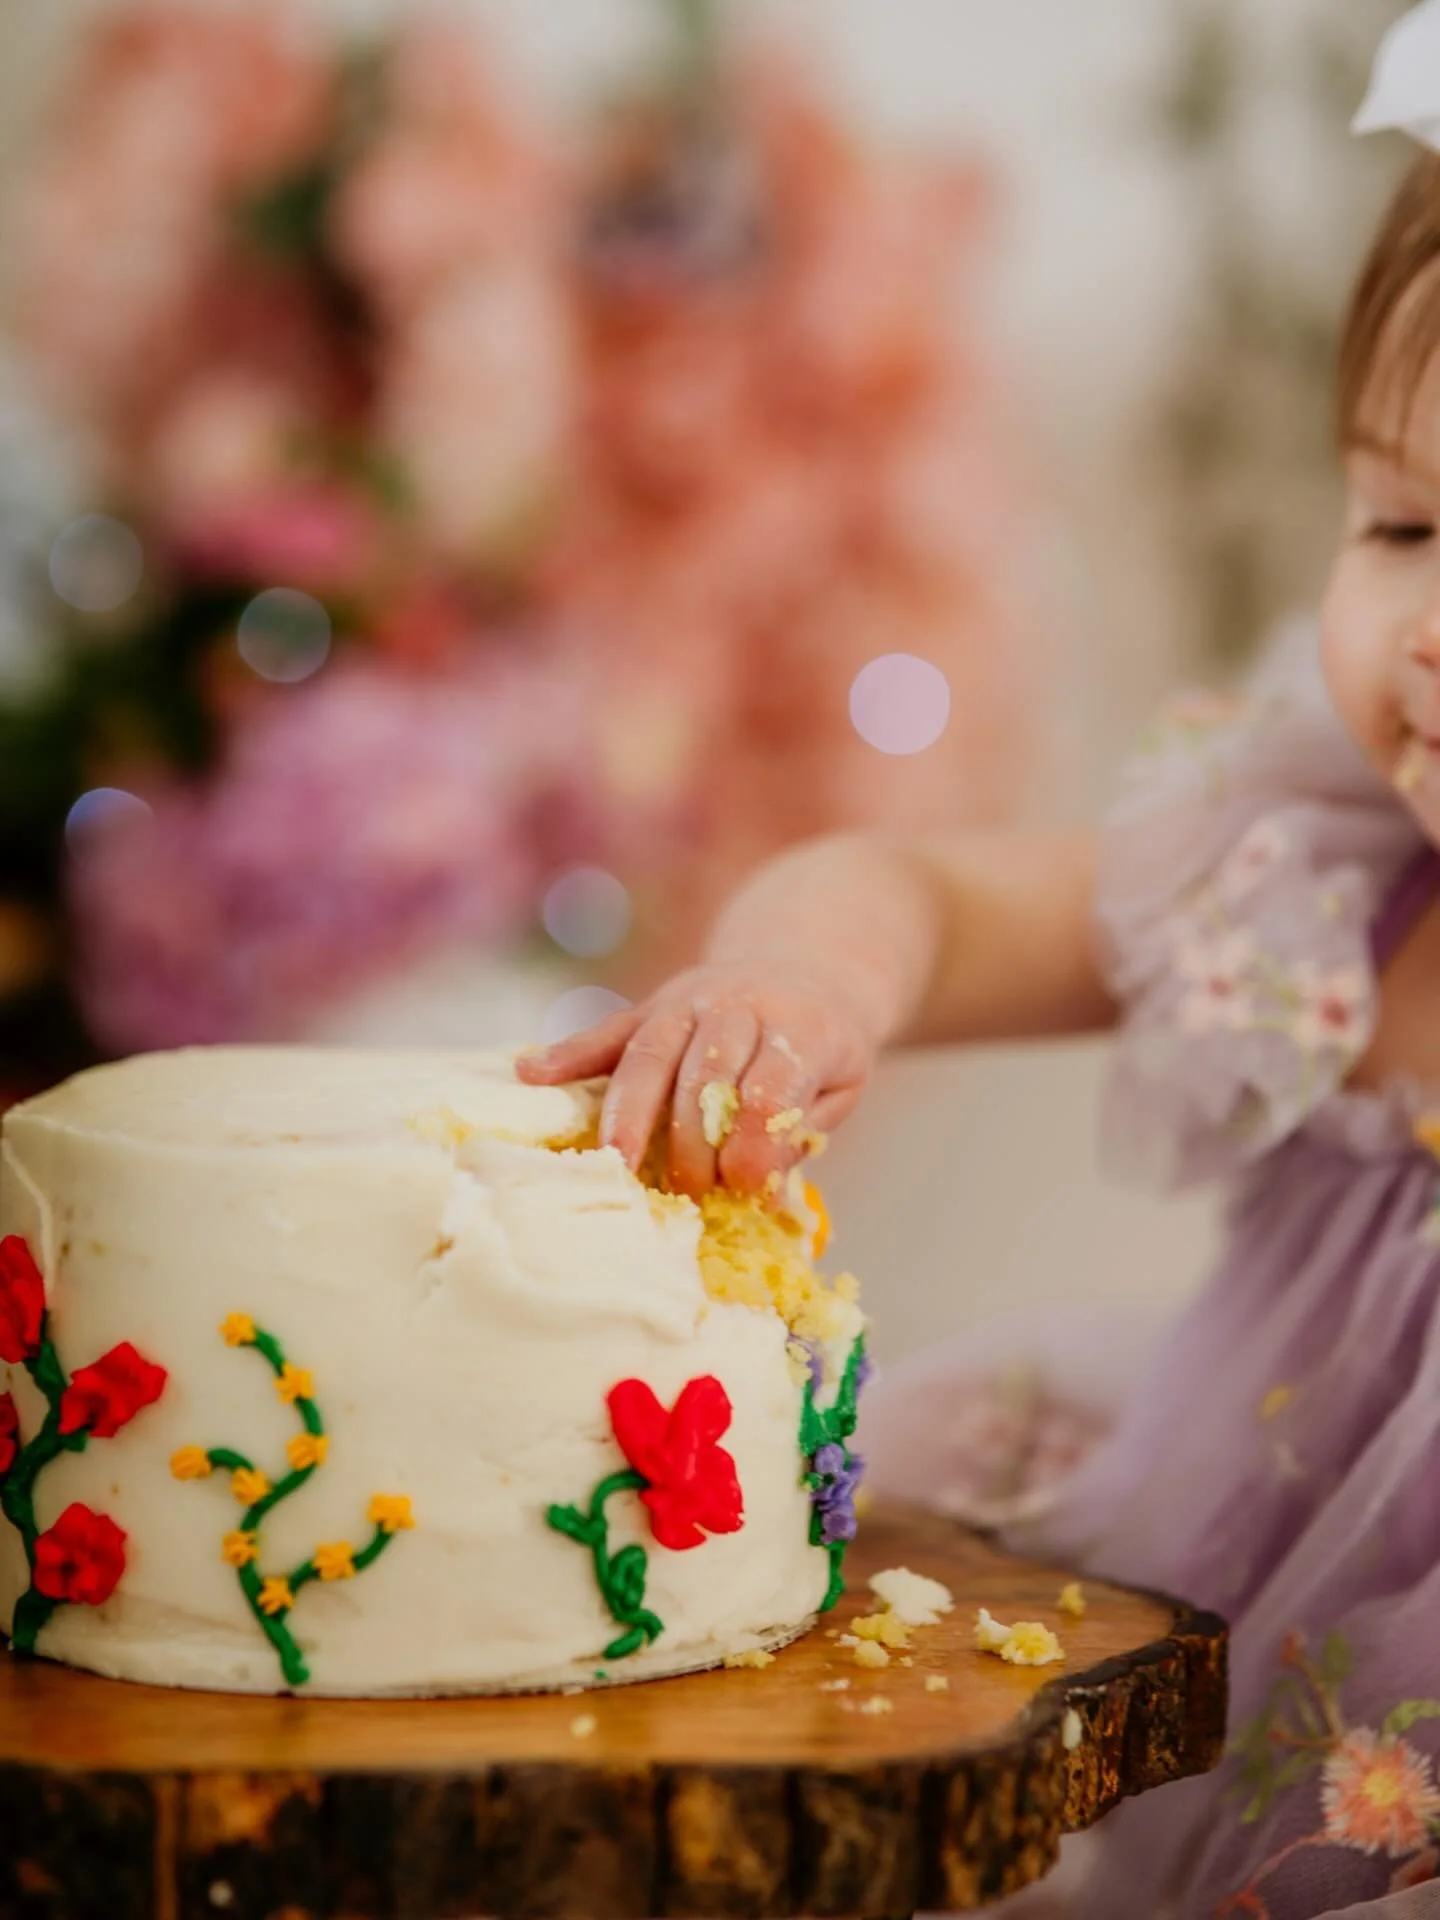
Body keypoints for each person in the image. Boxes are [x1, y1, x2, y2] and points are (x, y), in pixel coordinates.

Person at [522, 8, 1440, 1912]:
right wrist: (807, 989)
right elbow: (930, 899)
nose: (1429, 628)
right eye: (1405, 522)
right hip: (1225, 1584)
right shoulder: (1329, 873)